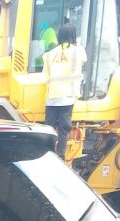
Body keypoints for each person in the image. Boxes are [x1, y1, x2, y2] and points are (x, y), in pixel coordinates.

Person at [42, 23, 87, 159]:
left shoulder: (50, 54)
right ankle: (60, 156)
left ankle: (45, 154)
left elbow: (45, 74)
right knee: (64, 128)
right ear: (73, 35)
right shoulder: (77, 51)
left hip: (52, 96)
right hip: (67, 95)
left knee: (49, 128)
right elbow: (84, 60)